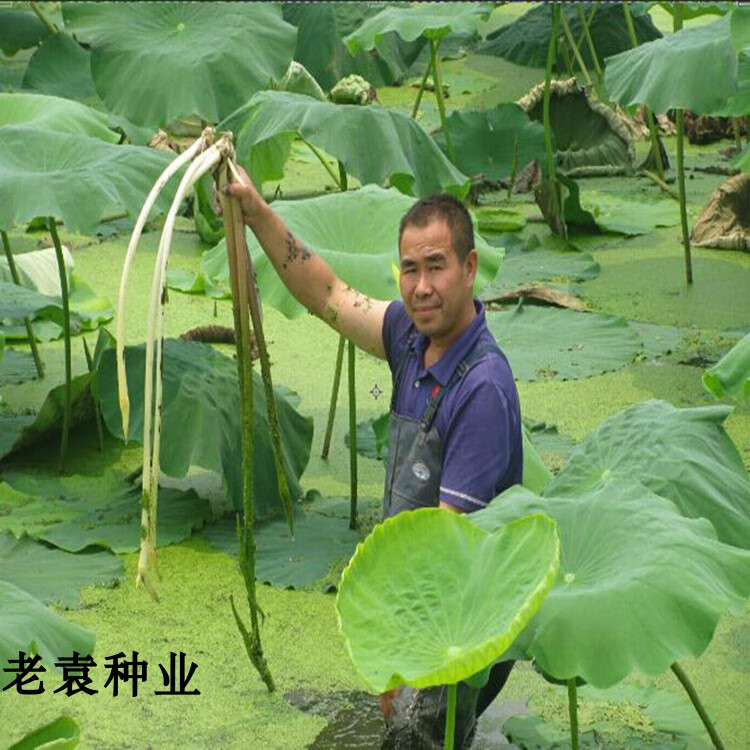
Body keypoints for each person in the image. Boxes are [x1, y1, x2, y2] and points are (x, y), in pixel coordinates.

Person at [223, 168, 523, 749]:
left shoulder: (482, 387)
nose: (420, 286)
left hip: (453, 624)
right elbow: (330, 294)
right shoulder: (410, 338)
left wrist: (397, 656)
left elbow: (446, 547)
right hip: (415, 603)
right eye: (410, 269)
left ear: (469, 267)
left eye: (436, 266)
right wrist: (256, 210)